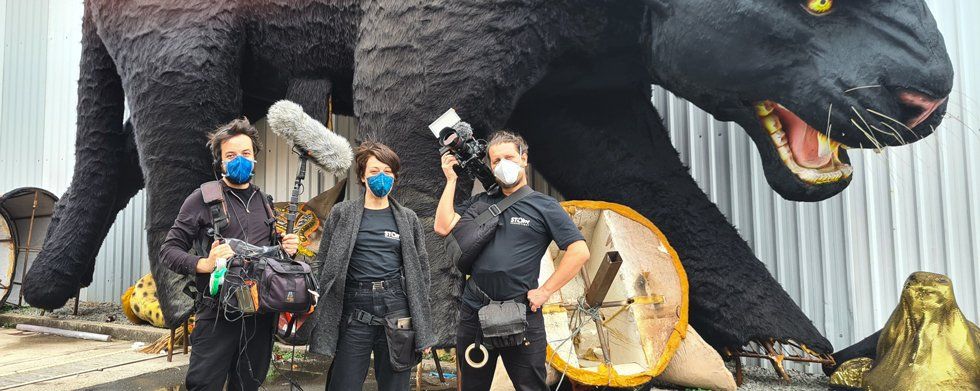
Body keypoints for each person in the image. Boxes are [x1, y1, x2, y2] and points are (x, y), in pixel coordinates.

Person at [434, 130, 590, 391]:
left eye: (508, 156)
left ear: (523, 159)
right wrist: (450, 180)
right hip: (475, 312)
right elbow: (442, 225)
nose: (502, 164)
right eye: (495, 160)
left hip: (522, 313)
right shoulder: (480, 203)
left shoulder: (545, 205)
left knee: (531, 386)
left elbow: (579, 251)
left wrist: (545, 292)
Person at [159, 118, 300, 390]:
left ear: (255, 158)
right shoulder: (201, 199)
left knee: (249, 385)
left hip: (260, 315)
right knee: (203, 384)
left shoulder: (264, 202)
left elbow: (270, 257)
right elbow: (168, 251)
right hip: (217, 315)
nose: (240, 160)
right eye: (231, 155)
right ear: (220, 162)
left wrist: (286, 248)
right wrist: (205, 263)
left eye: (246, 153)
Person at [309, 141, 435, 391]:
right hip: (355, 307)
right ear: (363, 177)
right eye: (375, 171)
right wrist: (312, 295)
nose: (382, 177)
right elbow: (322, 261)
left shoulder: (407, 218)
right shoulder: (342, 213)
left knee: (396, 383)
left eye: (388, 172)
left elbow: (421, 273)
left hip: (396, 305)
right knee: (343, 383)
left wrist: (423, 326)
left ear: (395, 177)